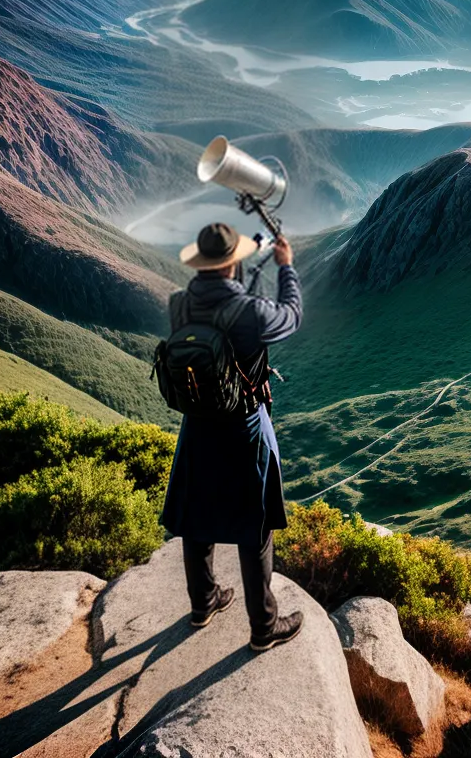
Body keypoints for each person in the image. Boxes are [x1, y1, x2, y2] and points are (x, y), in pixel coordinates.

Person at [161, 221, 304, 652]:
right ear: (232, 264)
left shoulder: (178, 304)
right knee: (254, 523)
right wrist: (286, 267)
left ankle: (203, 603)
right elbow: (293, 316)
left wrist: (254, 248)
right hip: (244, 428)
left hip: (197, 425)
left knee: (196, 511)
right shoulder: (252, 313)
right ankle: (264, 626)